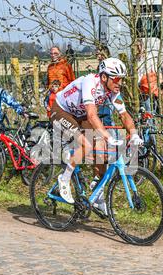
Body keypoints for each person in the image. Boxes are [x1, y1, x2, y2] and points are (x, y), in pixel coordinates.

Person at [51, 57, 143, 212]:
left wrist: (134, 134)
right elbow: (92, 115)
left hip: (79, 116)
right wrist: (109, 137)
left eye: (121, 80)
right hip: (61, 111)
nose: (119, 83)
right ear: (104, 77)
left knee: (102, 150)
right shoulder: (90, 83)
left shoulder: (112, 91)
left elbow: (124, 114)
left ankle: (97, 196)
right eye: (116, 79)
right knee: (86, 144)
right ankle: (64, 179)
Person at [137, 40, 163, 115]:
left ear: (143, 47)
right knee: (141, 109)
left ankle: (151, 125)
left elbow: (156, 71)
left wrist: (159, 85)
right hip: (138, 87)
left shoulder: (149, 58)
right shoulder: (134, 59)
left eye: (139, 46)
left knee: (149, 108)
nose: (138, 48)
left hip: (148, 86)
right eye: (136, 46)